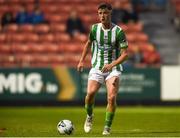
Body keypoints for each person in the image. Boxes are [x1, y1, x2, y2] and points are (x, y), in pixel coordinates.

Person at [77, 3, 128, 135]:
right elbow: (88, 44)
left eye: (105, 13)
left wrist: (112, 65)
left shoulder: (118, 32)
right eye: (100, 13)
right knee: (90, 95)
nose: (102, 16)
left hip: (113, 69)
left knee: (111, 98)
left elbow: (125, 54)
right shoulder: (94, 29)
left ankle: (107, 127)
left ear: (110, 13)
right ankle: (89, 116)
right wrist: (81, 61)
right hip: (97, 68)